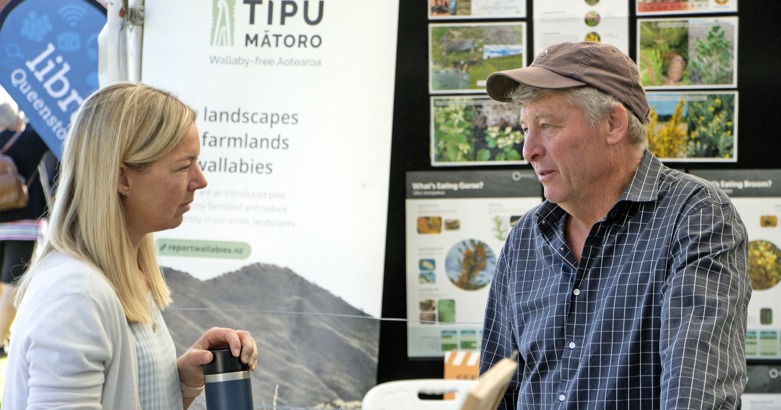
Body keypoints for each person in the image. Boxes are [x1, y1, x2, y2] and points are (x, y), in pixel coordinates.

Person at [479, 41, 750, 408]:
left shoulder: (695, 216)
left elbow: (696, 394)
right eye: (526, 128)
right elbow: (495, 391)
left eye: (547, 126)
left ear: (613, 123)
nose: (529, 150)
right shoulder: (526, 237)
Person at [3, 82, 259, 409]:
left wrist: (182, 378)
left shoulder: (119, 276)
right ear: (123, 178)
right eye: (184, 166)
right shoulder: (76, 297)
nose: (200, 180)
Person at [0, 96, 51, 357]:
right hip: (22, 226)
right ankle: (0, 341)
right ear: (15, 120)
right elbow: (47, 127)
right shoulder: (24, 140)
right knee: (12, 283)